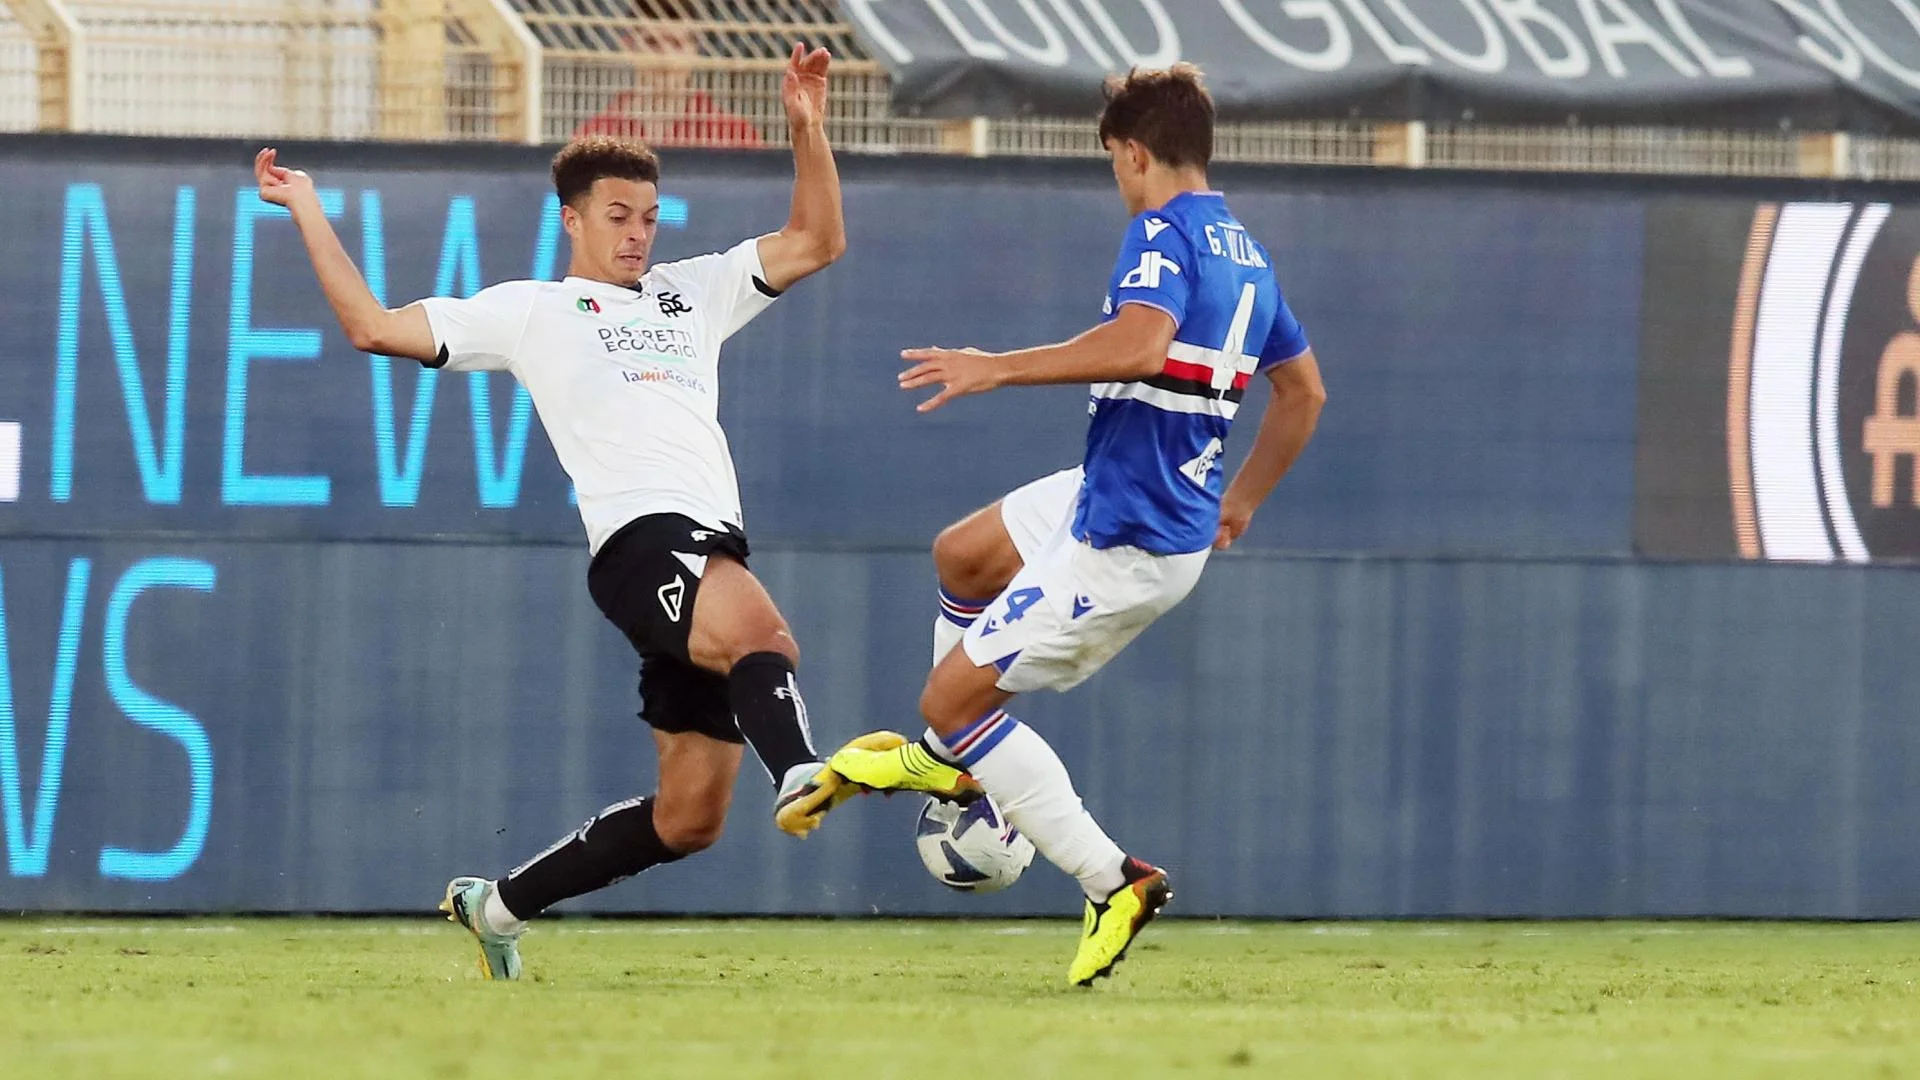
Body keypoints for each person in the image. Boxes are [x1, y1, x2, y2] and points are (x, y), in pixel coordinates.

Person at [253, 44, 877, 981]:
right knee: (765, 637)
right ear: (571, 218)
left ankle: (497, 906)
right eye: (618, 216)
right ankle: (799, 771)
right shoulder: (532, 311)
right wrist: (306, 205)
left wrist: (808, 129)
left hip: (706, 540)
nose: (637, 234)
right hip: (642, 540)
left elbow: (817, 240)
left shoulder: (691, 292)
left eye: (649, 218)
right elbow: (372, 326)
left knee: (689, 819)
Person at [802, 63, 1328, 986]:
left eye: (1114, 159)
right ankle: (954, 764)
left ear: (1134, 153)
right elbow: (1304, 392)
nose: (1117, 177)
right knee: (964, 556)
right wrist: (1241, 500)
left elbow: (1140, 344)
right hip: (1115, 491)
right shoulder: (1246, 250)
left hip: (1132, 535)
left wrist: (994, 367)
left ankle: (1111, 878)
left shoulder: (1160, 230)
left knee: (948, 702)